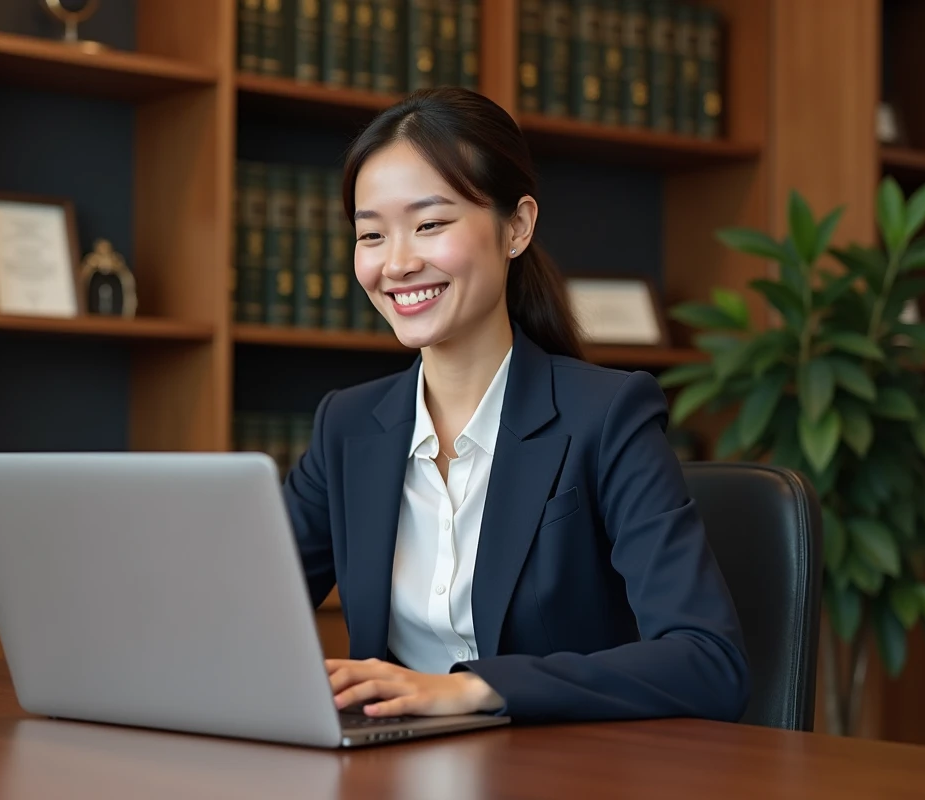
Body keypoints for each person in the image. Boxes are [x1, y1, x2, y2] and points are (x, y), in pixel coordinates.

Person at [280, 86, 750, 725]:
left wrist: (476, 688)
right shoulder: (346, 428)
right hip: (390, 771)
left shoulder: (607, 417)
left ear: (517, 227)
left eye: (430, 224)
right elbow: (244, 617)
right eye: (371, 235)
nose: (396, 263)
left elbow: (708, 661)